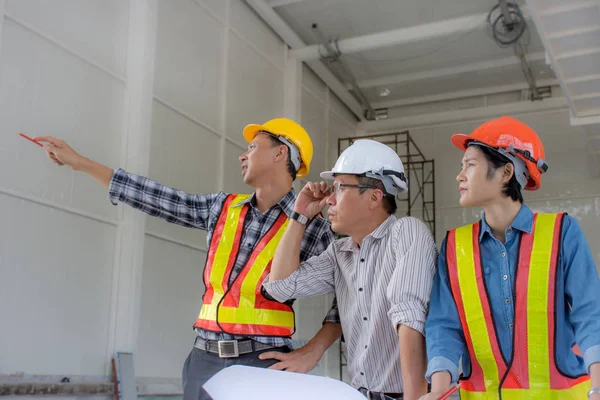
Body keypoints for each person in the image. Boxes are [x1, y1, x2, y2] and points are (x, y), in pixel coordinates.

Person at [33, 118, 342, 400]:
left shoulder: (312, 222)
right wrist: (81, 164)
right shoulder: (222, 208)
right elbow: (155, 197)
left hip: (263, 364)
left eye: (252, 146)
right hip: (202, 363)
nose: (242, 155)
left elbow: (348, 293)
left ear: (280, 154)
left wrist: (312, 352)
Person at [421, 116, 600, 400]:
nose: (460, 175)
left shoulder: (562, 233)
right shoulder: (455, 246)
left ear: (506, 173)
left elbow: (590, 313)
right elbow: (444, 325)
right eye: (461, 166)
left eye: (470, 164)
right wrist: (439, 392)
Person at [263, 139, 438, 400]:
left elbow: (409, 318)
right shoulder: (340, 252)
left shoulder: (407, 232)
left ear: (374, 197)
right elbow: (280, 287)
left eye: (339, 188)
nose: (329, 199)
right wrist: (300, 215)